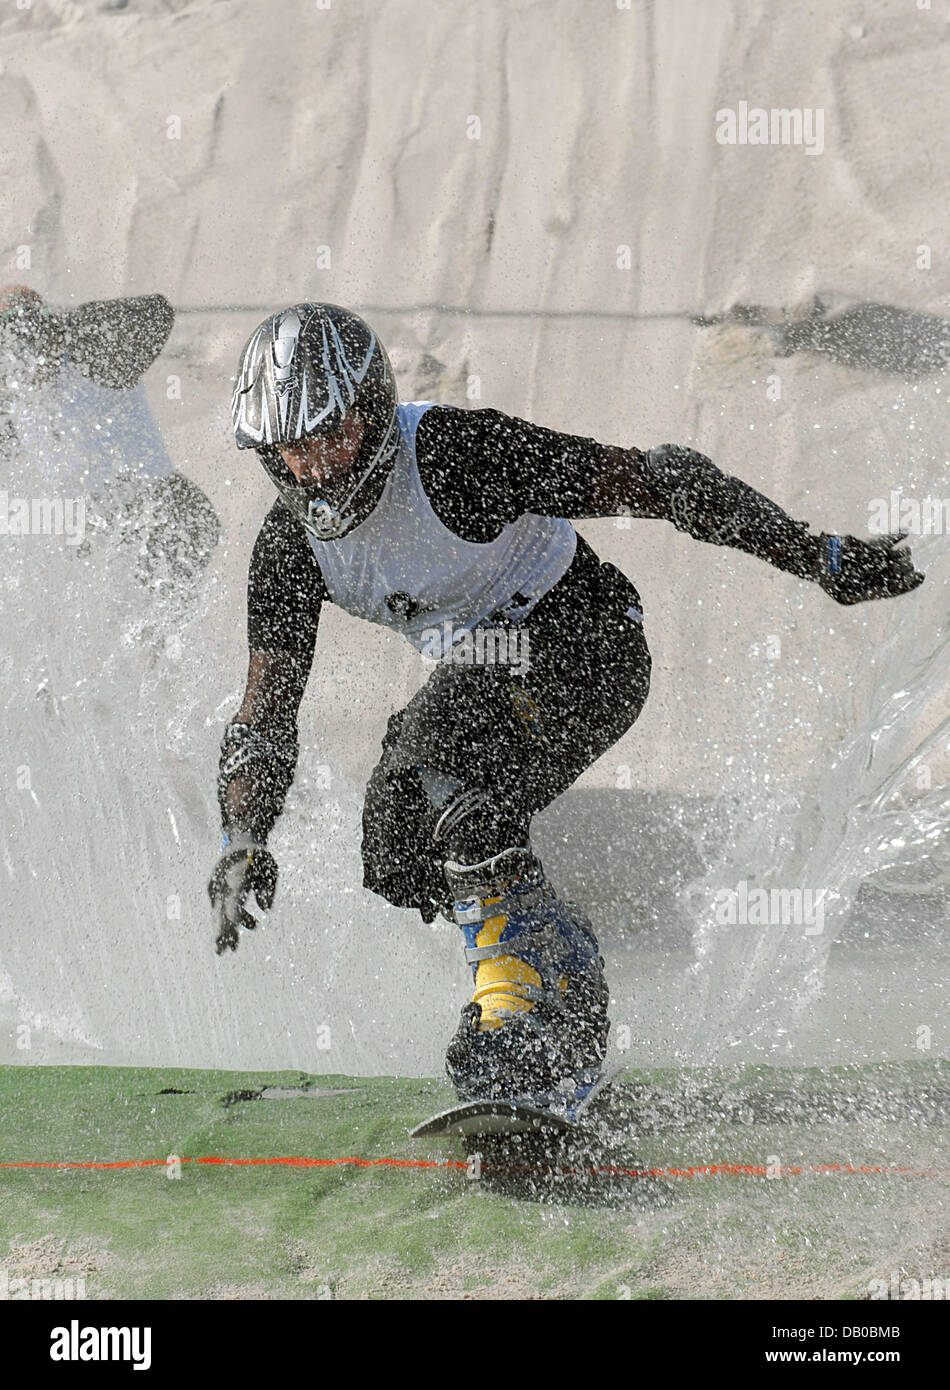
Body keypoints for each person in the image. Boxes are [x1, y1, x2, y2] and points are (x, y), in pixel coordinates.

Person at [209, 301, 924, 1101]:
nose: (316, 468)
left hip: (592, 648)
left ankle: (523, 999)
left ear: (374, 410)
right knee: (393, 841)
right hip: (487, 682)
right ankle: (560, 979)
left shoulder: (454, 455)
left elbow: (663, 480)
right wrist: (243, 837)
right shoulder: (287, 550)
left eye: (330, 435)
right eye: (291, 450)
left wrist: (816, 555)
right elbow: (264, 718)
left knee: (432, 749)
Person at [0, 284, 219, 595]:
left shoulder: (93, 355)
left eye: (34, 337)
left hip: (164, 512)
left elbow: (157, 313)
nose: (32, 356)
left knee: (155, 628)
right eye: (17, 348)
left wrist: (68, 326)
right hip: (96, 534)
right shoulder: (15, 401)